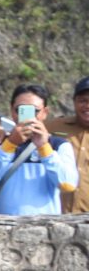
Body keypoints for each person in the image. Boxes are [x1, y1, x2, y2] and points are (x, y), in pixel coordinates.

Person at [0, 84, 78, 215]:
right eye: (20, 109)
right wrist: (10, 144)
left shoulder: (59, 145)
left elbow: (68, 184)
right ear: (12, 111)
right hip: (4, 225)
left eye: (34, 111)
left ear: (45, 112)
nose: (27, 116)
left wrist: (44, 148)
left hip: (44, 227)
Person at [47, 76, 89, 213]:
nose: (87, 106)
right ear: (74, 102)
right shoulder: (54, 126)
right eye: (83, 101)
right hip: (56, 215)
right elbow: (25, 131)